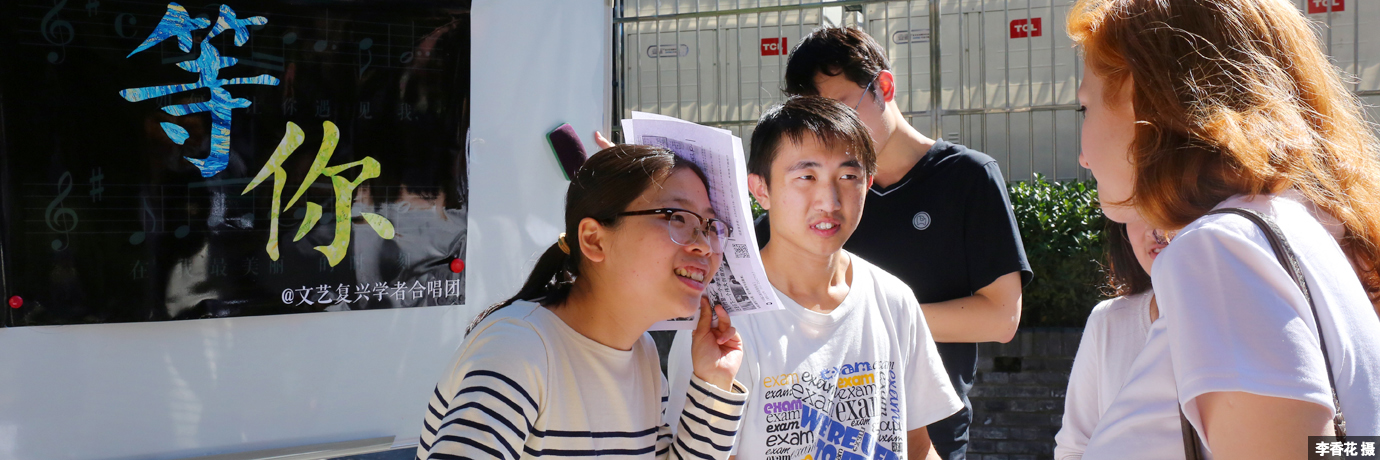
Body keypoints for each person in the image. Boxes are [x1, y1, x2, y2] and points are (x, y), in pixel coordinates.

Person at [1068, 0, 1380, 457]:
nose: (1082, 156)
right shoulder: (1291, 228)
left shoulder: (1219, 248)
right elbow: (1337, 448)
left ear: (1144, 100)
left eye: (1085, 107)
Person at [754, 26, 1032, 460]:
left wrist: (875, 322)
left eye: (842, 106)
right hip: (818, 433)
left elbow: (1001, 317)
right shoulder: (800, 207)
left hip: (932, 430)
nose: (834, 128)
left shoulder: (968, 177)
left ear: (883, 86)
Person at [666, 96, 962, 460]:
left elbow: (918, 447)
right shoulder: (717, 325)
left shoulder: (894, 299)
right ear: (760, 189)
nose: (829, 201)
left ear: (868, 184)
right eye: (806, 177)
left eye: (848, 177)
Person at [415, 145, 750, 460]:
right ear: (594, 240)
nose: (704, 245)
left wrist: (713, 381)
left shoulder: (642, 354)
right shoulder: (519, 347)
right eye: (676, 217)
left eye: (709, 225)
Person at [1053, 219, 1166, 460]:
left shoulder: (1239, 320)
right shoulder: (1107, 320)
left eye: (1171, 205)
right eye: (1137, 210)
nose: (1155, 230)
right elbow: (1074, 448)